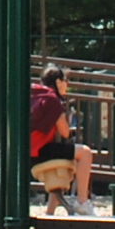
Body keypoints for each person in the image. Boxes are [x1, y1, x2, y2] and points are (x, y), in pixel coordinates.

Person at [28, 67, 97, 216]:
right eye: (66, 81)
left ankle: (50, 212)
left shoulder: (34, 93)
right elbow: (65, 132)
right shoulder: (53, 100)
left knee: (62, 164)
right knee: (85, 153)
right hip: (40, 150)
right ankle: (82, 202)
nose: (67, 84)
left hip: (28, 153)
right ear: (58, 82)